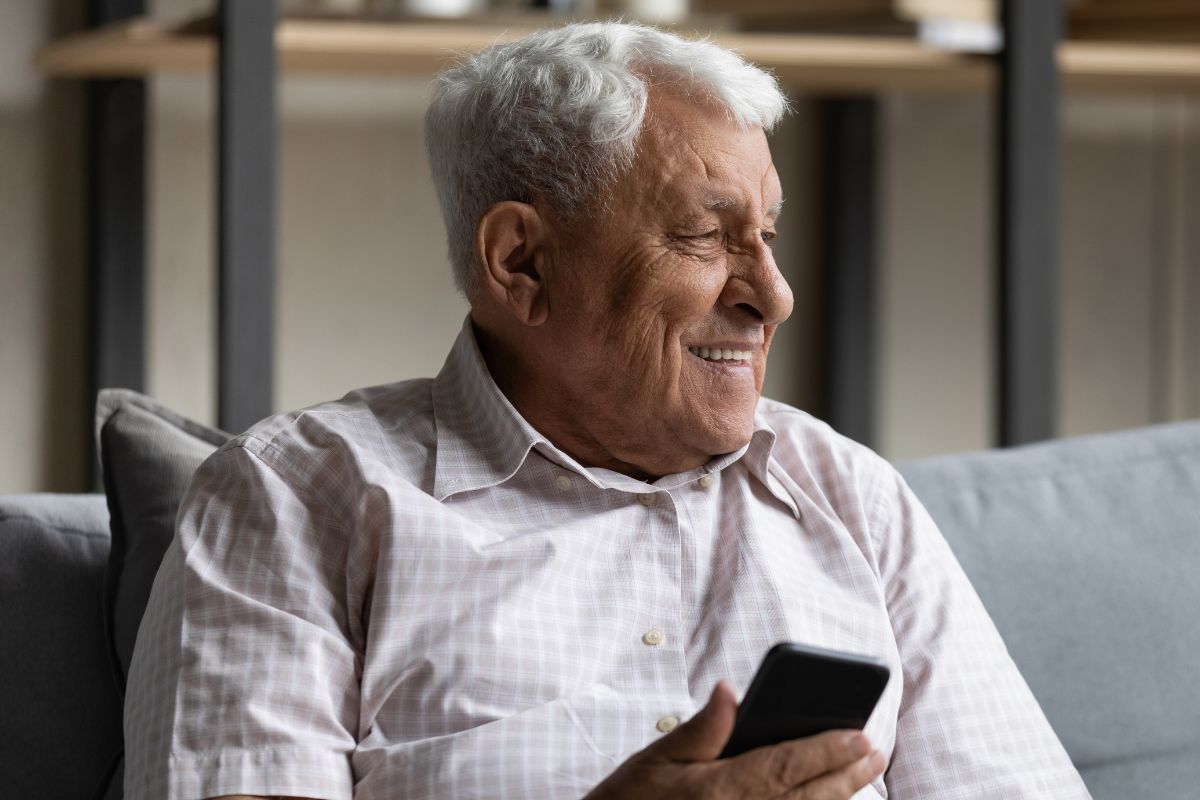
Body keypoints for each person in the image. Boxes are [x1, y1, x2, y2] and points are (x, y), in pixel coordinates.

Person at [124, 21, 1092, 800]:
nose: (774, 293)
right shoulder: (297, 497)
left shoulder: (847, 493)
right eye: (707, 237)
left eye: (769, 235)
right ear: (522, 263)